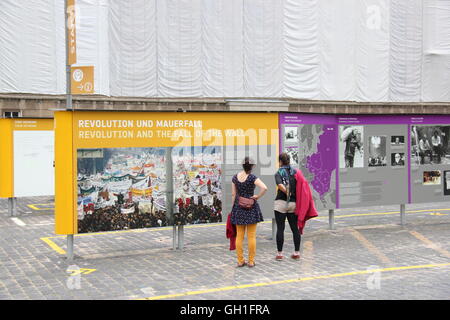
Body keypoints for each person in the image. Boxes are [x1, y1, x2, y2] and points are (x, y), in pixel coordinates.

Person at [230, 157, 267, 268]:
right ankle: (251, 261)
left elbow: (233, 194)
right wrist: (257, 196)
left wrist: (233, 208)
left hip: (239, 207)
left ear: (243, 165)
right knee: (251, 237)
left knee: (239, 236)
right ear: (252, 166)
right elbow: (264, 187)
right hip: (251, 208)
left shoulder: (235, 177)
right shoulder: (252, 178)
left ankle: (240, 260)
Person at [274, 153, 301, 261]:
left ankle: (280, 254)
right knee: (295, 229)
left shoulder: (278, 172)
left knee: (280, 228)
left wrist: (287, 191)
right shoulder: (295, 172)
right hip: (293, 204)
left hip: (281, 203)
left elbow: (280, 185)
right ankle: (296, 252)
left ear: (280, 161)